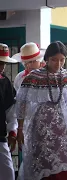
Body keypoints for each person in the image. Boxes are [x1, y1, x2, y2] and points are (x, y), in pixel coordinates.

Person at [15, 41, 67, 180]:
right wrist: (20, 128)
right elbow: (22, 103)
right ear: (46, 59)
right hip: (41, 131)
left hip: (65, 130)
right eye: (54, 60)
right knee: (44, 167)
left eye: (62, 60)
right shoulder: (33, 78)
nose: (58, 64)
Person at [0, 43, 18, 180]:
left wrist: (12, 132)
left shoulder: (5, 83)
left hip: (0, 137)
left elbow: (11, 111)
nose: (2, 66)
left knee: (8, 175)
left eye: (4, 63)